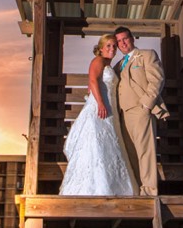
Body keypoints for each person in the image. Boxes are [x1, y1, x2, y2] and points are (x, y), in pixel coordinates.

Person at [59, 34, 135, 196]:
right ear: (100, 48)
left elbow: (95, 84)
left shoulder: (108, 65)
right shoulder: (98, 61)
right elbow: (93, 81)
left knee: (109, 143)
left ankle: (112, 186)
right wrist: (100, 103)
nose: (112, 49)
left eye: (114, 46)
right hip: (101, 108)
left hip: (110, 108)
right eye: (108, 46)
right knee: (98, 143)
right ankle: (96, 188)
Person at [113, 26, 169, 197]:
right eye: (119, 41)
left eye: (125, 39)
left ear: (132, 39)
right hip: (123, 114)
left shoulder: (146, 55)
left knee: (146, 151)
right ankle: (137, 191)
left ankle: (150, 191)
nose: (122, 43)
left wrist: (146, 105)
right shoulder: (118, 65)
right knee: (131, 153)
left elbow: (157, 80)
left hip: (140, 110)